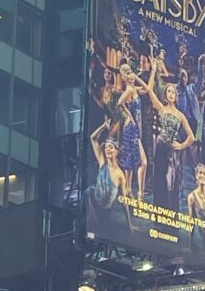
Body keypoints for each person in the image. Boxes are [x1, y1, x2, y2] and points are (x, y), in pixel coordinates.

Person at [144, 59, 196, 212]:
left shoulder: (180, 115)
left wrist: (181, 145)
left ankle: (171, 214)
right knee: (160, 179)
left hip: (172, 152)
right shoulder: (161, 108)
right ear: (166, 95)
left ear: (176, 95)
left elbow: (191, 137)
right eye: (169, 92)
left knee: (171, 183)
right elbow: (149, 90)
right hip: (160, 147)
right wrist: (154, 70)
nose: (171, 94)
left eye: (173, 92)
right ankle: (159, 214)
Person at [84, 122, 130, 228]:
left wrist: (130, 225)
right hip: (92, 201)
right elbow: (93, 138)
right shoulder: (102, 162)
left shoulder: (120, 175)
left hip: (105, 211)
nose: (108, 149)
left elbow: (124, 201)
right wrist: (104, 126)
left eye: (111, 147)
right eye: (106, 147)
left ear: (117, 151)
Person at [117, 61, 148, 200]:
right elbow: (119, 102)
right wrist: (129, 115)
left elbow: (147, 89)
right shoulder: (129, 90)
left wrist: (137, 77)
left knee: (130, 163)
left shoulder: (134, 89)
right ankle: (139, 193)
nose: (131, 75)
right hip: (131, 128)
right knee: (141, 162)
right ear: (124, 77)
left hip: (136, 128)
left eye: (131, 72)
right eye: (128, 73)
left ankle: (130, 190)